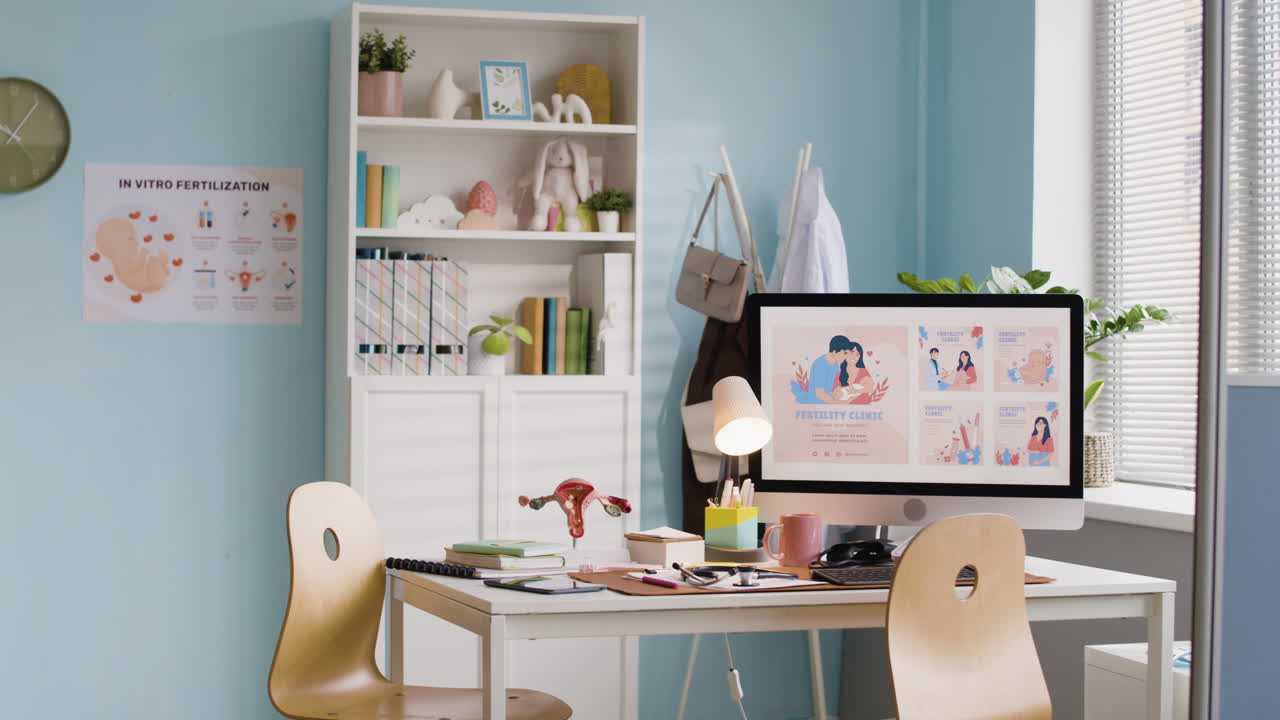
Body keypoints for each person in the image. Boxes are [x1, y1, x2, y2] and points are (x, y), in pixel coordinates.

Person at [792, 335, 856, 404]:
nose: (846, 357)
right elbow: (819, 394)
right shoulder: (820, 365)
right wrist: (838, 402)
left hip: (829, 401)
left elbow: (835, 386)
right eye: (845, 353)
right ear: (834, 351)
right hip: (817, 404)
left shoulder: (835, 365)